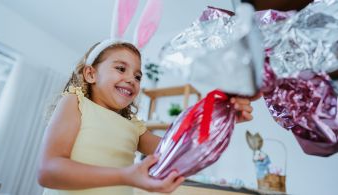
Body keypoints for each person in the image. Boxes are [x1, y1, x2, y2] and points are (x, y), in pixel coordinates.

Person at [38, 40, 257, 195]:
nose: (131, 79)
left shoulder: (134, 127)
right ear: (90, 74)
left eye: (137, 76)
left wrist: (222, 116)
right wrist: (125, 176)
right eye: (121, 68)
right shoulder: (75, 102)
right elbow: (48, 171)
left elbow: (176, 150)